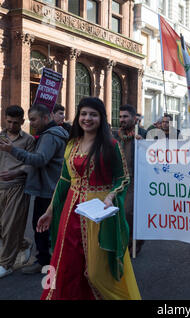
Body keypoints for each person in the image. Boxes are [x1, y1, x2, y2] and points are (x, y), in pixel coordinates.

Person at [36, 97, 141, 300]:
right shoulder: (72, 144)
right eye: (83, 114)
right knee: (68, 265)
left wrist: (111, 196)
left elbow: (123, 178)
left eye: (93, 114)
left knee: (96, 271)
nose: (87, 118)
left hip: (100, 212)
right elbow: (64, 180)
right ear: (78, 117)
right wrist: (49, 211)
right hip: (71, 213)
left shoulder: (111, 145)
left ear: (101, 118)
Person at [0, 104, 68, 274]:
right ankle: (39, 255)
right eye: (30, 120)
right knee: (41, 226)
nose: (32, 123)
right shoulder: (46, 135)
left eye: (33, 119)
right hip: (46, 186)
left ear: (45, 118)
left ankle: (36, 263)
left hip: (38, 187)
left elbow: (38, 160)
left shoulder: (44, 137)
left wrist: (13, 154)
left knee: (38, 226)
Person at [0, 106, 35, 278]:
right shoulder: (0, 137)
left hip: (18, 186)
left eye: (16, 122)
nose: (12, 125)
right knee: (2, 227)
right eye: (9, 122)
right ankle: (23, 244)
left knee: (9, 226)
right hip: (0, 186)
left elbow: (31, 163)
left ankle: (6, 264)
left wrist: (17, 172)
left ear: (22, 121)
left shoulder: (28, 140)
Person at [114, 104, 147, 255]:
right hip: (118, 179)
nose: (122, 119)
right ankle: (124, 241)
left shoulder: (145, 134)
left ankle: (135, 241)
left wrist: (143, 144)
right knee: (119, 212)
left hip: (136, 180)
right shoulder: (116, 135)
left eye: (125, 116)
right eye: (120, 116)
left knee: (129, 212)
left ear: (134, 118)